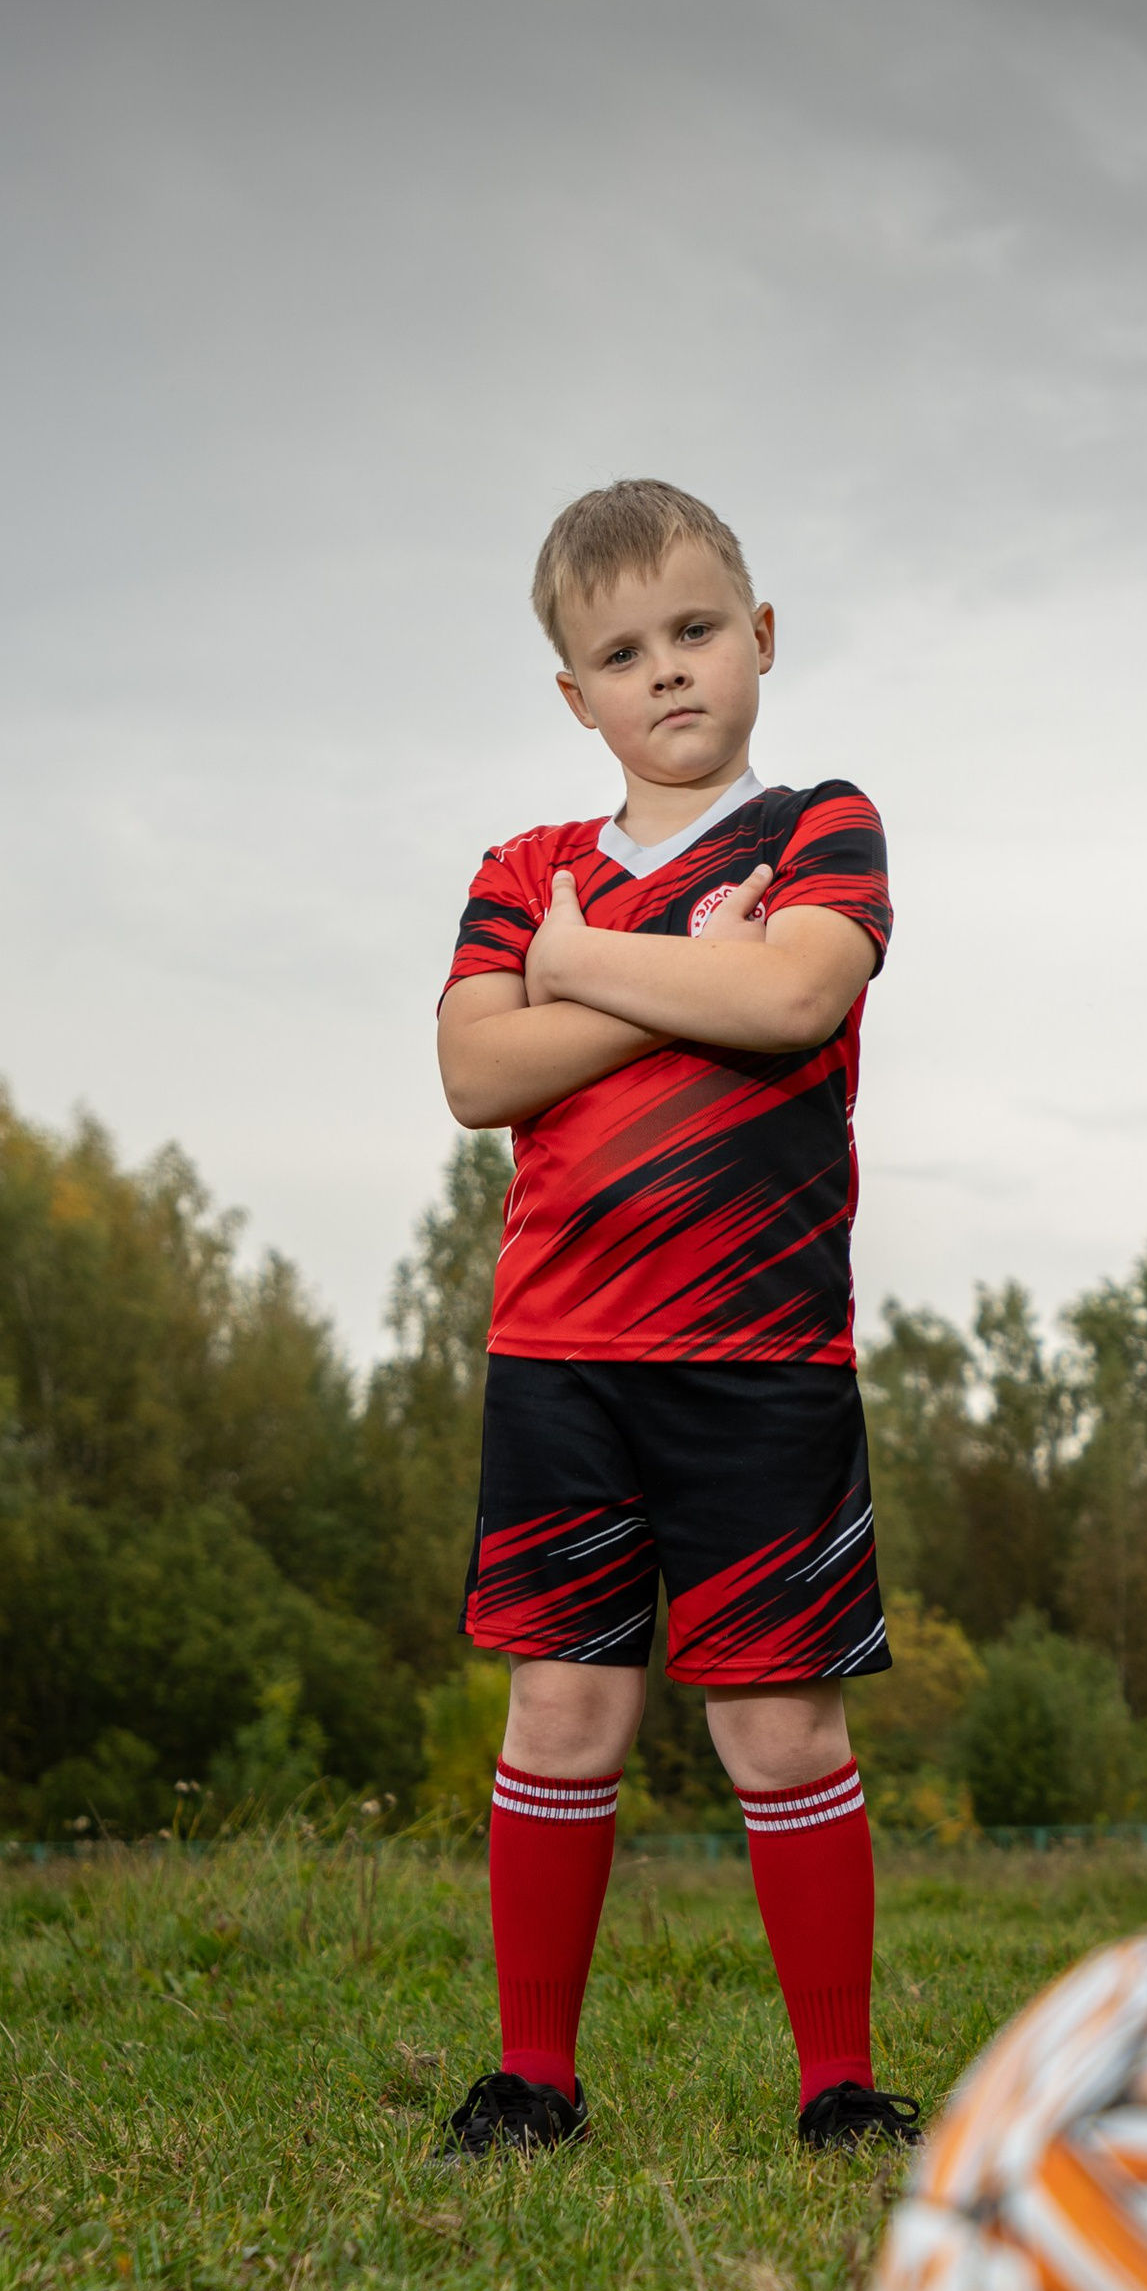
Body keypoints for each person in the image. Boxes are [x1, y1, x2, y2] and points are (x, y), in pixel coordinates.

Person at [432, 477, 918, 2161]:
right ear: (576, 695)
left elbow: (793, 994)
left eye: (698, 630)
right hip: (564, 1360)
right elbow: (477, 1070)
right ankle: (533, 2084)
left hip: (763, 1359)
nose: (669, 673)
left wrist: (586, 968)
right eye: (622, 652)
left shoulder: (822, 831)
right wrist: (661, 971)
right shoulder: (526, 868)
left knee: (779, 1719)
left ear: (762, 637)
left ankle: (839, 2090)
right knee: (564, 1710)